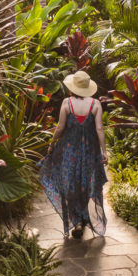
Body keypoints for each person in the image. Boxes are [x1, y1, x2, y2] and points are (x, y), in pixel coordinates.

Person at [37, 70, 108, 238]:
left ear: (73, 87)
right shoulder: (96, 104)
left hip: (69, 151)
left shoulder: (66, 103)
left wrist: (52, 144)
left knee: (70, 186)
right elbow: (99, 129)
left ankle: (76, 220)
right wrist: (104, 151)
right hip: (90, 151)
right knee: (85, 184)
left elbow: (60, 128)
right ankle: (81, 218)